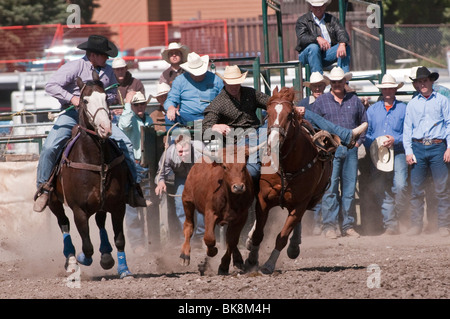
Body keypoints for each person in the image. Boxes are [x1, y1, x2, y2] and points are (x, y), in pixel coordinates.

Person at [33, 35, 147, 212]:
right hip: (71, 114)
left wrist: (105, 102)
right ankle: (44, 189)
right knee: (50, 147)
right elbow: (51, 85)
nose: (107, 58)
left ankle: (132, 188)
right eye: (104, 55)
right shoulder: (74, 67)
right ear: (93, 55)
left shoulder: (108, 72)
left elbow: (110, 95)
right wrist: (72, 98)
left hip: (99, 116)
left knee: (126, 143)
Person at [311, 67, 368, 239]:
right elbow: (313, 125)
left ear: (345, 82)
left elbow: (364, 121)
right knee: (331, 189)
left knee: (349, 189)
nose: (337, 84)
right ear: (331, 83)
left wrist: (358, 142)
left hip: (350, 149)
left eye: (339, 81)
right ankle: (330, 225)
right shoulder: (322, 102)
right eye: (334, 82)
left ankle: (347, 225)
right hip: (331, 151)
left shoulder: (354, 100)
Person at [403, 67, 450, 237]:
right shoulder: (412, 104)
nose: (423, 84)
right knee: (416, 189)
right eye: (419, 81)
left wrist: (449, 147)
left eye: (425, 80)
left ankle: (444, 225)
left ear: (431, 81)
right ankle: (416, 225)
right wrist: (408, 151)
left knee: (442, 188)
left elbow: (449, 124)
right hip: (418, 147)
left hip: (439, 147)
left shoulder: (443, 101)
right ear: (416, 84)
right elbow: (407, 129)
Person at [364, 74, 408, 235]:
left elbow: (409, 132)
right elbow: (366, 134)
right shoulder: (372, 110)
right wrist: (375, 144)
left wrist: (395, 139)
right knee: (381, 187)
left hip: (398, 152)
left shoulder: (404, 108)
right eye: (385, 88)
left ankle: (401, 217)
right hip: (379, 154)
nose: (388, 91)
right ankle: (391, 224)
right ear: (382, 91)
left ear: (395, 89)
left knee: (400, 185)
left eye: (391, 88)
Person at [118, 91, 154, 253]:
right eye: (136, 104)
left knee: (151, 204)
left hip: (148, 165)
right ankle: (137, 243)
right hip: (133, 164)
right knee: (132, 206)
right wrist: (127, 105)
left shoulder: (149, 119)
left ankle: (152, 241)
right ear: (132, 106)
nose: (140, 107)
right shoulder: (129, 118)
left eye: (142, 104)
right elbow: (124, 125)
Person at [154, 128, 205, 243]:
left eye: (186, 151)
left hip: (200, 178)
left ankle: (201, 236)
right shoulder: (169, 154)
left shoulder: (200, 149)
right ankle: (186, 237)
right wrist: (161, 182)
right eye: (180, 152)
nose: (183, 154)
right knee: (180, 204)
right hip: (182, 178)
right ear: (175, 146)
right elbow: (160, 173)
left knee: (202, 205)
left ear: (190, 145)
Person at [164, 52, 223, 126]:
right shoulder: (180, 80)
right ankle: (178, 137)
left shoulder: (216, 80)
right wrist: (171, 108)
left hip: (211, 116)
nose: (197, 76)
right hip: (186, 116)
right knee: (169, 117)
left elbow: (224, 99)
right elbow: (171, 99)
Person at [296, 0, 351, 74]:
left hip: (326, 55)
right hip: (307, 56)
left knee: (345, 47)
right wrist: (317, 38)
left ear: (325, 6)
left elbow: (341, 32)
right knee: (313, 47)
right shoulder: (303, 20)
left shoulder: (331, 19)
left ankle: (343, 80)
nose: (318, 9)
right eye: (315, 6)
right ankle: (318, 81)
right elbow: (302, 38)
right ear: (311, 7)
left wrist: (342, 44)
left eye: (321, 6)